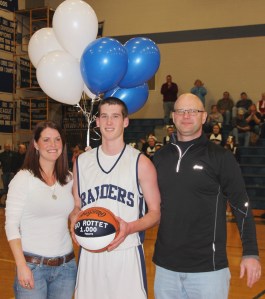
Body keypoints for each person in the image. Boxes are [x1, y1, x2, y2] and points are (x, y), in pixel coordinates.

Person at [152, 93, 261, 299]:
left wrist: (250, 253)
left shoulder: (221, 157)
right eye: (181, 111)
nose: (186, 116)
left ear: (204, 117)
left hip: (208, 270)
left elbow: (241, 205)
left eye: (193, 111)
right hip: (165, 269)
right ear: (173, 117)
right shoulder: (159, 158)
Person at [70, 97, 161, 299]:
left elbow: (155, 213)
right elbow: (77, 204)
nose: (109, 122)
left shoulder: (141, 163)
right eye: (104, 116)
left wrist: (129, 227)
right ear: (97, 122)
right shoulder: (81, 163)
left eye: (115, 116)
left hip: (126, 253)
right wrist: (74, 217)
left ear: (125, 121)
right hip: (90, 253)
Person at [5, 120, 77, 299]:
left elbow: (76, 208)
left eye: (57, 139)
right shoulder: (23, 179)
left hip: (66, 268)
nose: (53, 145)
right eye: (46, 140)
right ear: (36, 144)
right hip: (32, 267)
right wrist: (21, 266)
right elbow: (11, 225)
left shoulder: (69, 180)